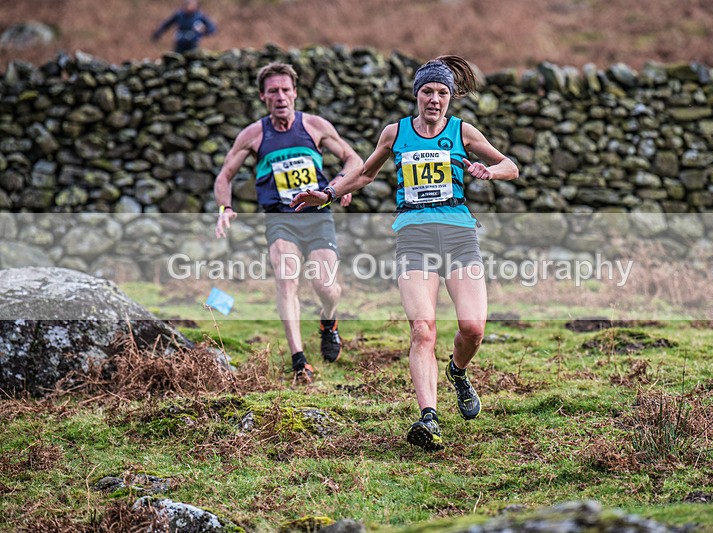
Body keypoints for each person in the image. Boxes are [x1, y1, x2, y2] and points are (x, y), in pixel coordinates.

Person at [291, 55, 519, 451]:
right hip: (414, 238)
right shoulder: (395, 133)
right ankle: (429, 417)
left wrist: (491, 171)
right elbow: (365, 173)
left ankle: (457, 372)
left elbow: (510, 166)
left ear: (450, 97)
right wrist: (327, 194)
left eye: (442, 93)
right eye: (427, 91)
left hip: (459, 237)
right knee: (422, 329)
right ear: (417, 94)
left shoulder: (462, 131)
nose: (434, 99)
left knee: (473, 328)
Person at [214, 62, 362, 384]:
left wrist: (337, 185)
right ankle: (299, 361)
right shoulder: (254, 134)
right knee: (287, 279)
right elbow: (225, 176)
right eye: (273, 91)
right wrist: (225, 207)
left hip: (317, 214)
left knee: (326, 287)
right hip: (280, 217)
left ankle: (328, 320)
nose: (280, 96)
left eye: (285, 90)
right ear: (262, 96)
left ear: (295, 92)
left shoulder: (314, 126)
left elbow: (354, 160)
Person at [151, 0, 217, 54]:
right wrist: (158, 33)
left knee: (192, 57)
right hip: (180, 41)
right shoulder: (179, 14)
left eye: (193, 5)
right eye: (189, 5)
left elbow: (212, 28)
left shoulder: (200, 16)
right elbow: (166, 24)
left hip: (192, 43)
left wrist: (203, 32)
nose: (190, 7)